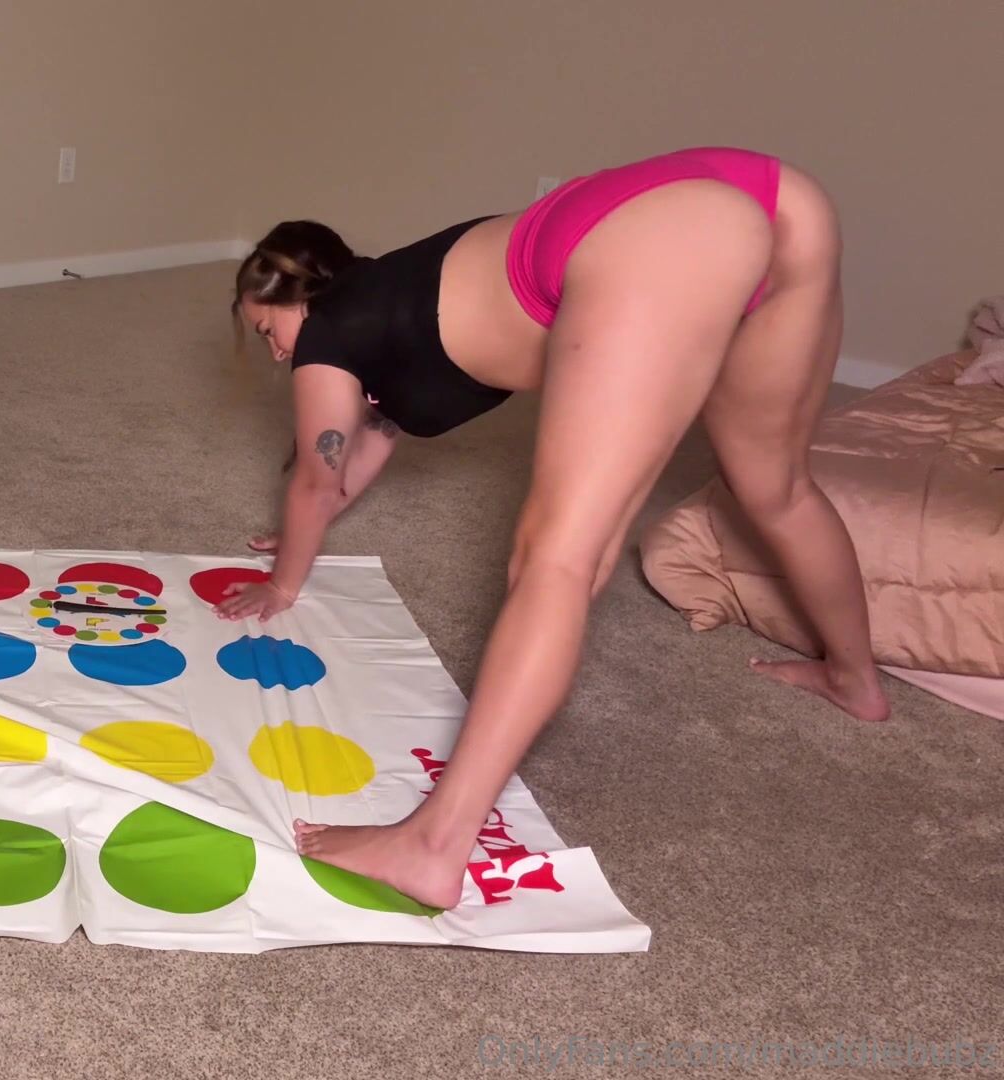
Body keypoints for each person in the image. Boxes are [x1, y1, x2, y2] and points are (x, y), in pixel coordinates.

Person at [225, 148, 889, 908]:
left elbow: (315, 478)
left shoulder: (327, 336)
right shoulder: (387, 307)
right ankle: (856, 680)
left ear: (301, 300)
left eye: (268, 329)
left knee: (559, 558)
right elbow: (355, 454)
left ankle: (433, 846)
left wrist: (283, 584)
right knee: (778, 489)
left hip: (659, 229)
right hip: (780, 200)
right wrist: (301, 533)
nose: (277, 353)